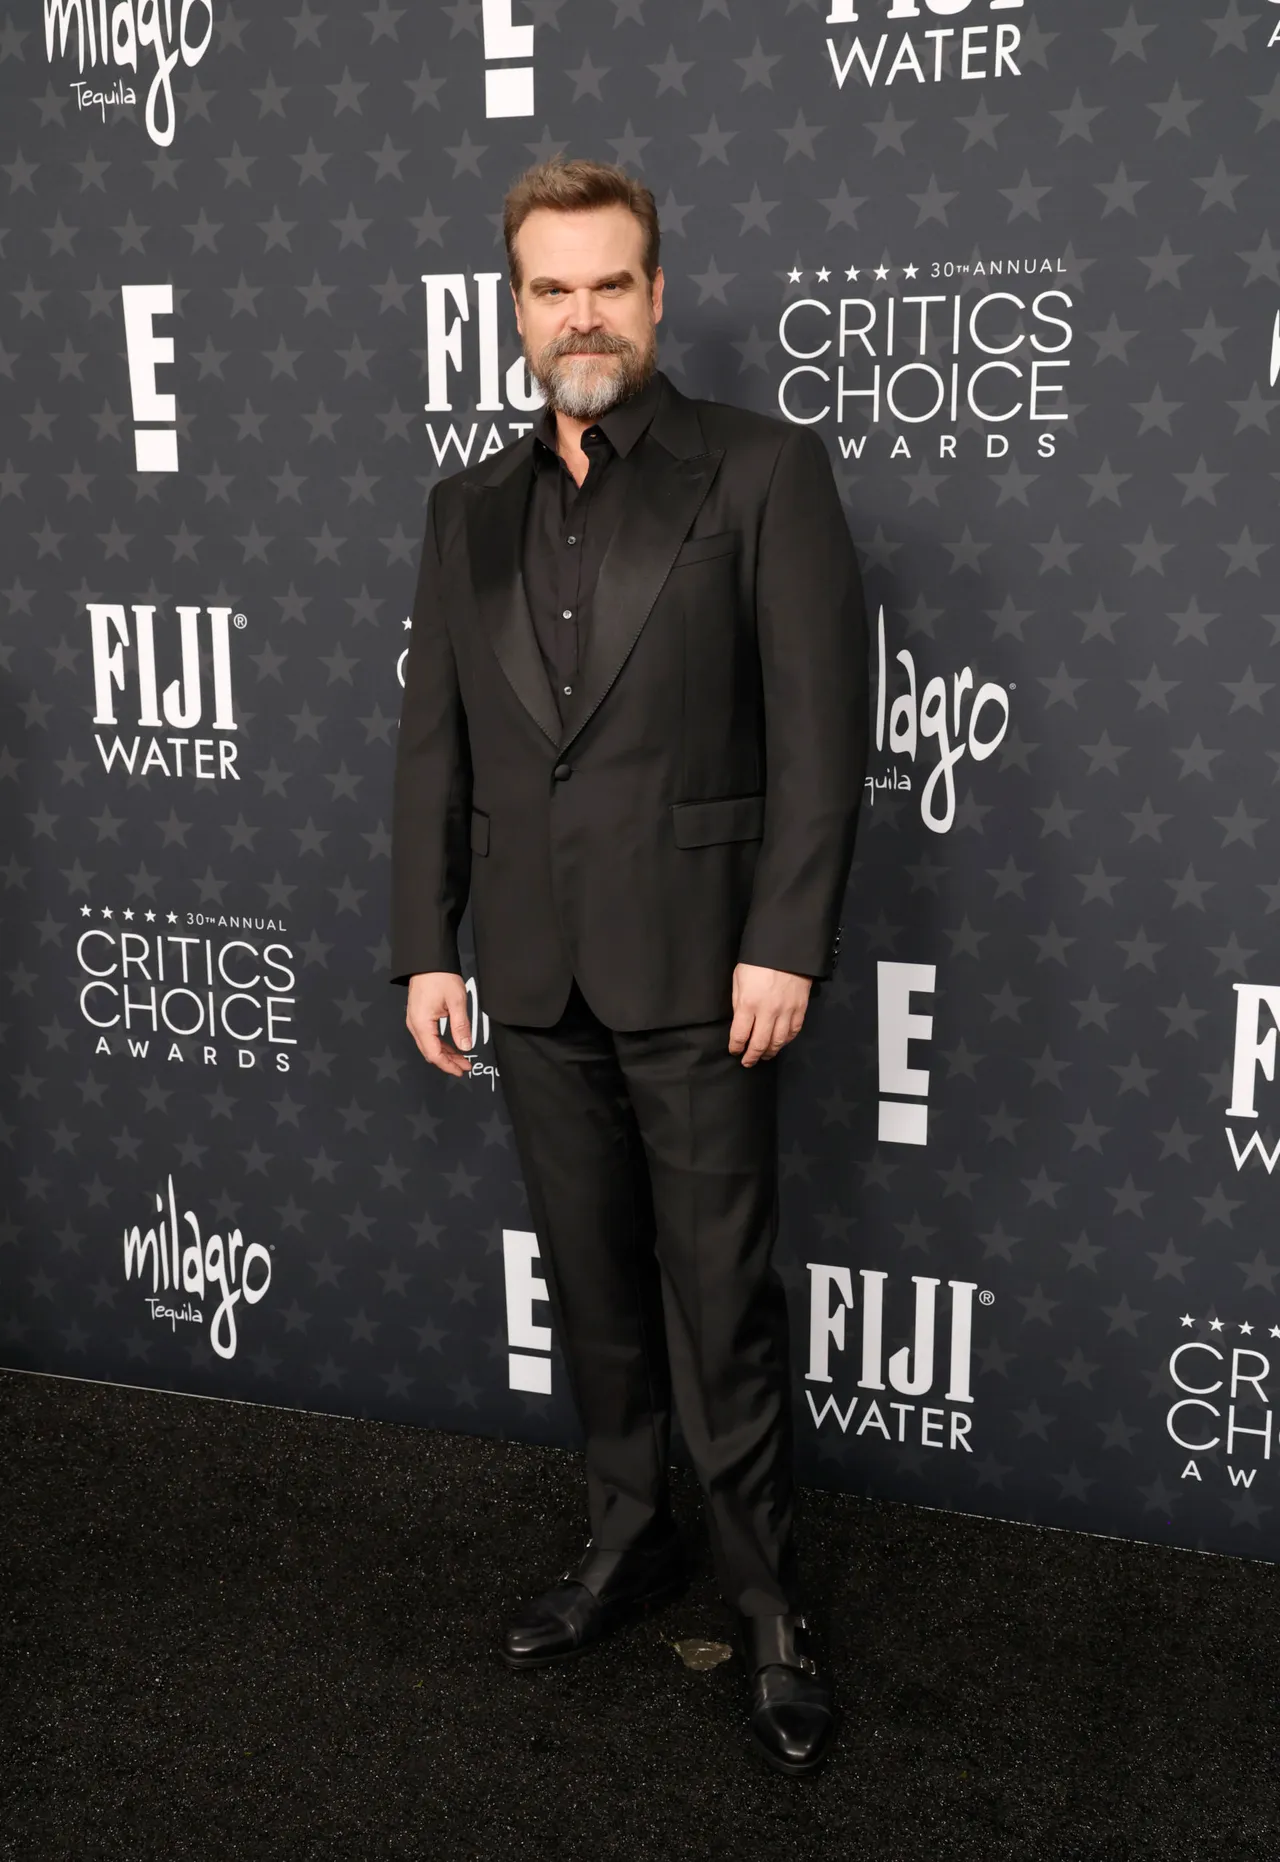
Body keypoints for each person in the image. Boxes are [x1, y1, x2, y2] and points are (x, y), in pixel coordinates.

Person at [390, 155, 870, 1777]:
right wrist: (423, 948)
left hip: (701, 976)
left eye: (609, 283)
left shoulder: (762, 472)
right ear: (513, 308)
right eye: (550, 288)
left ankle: (767, 1600)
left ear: (658, 295)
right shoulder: (465, 510)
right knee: (596, 1296)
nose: (580, 313)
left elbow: (821, 741)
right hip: (530, 977)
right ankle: (623, 1537)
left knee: (720, 1306)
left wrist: (784, 939)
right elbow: (432, 749)